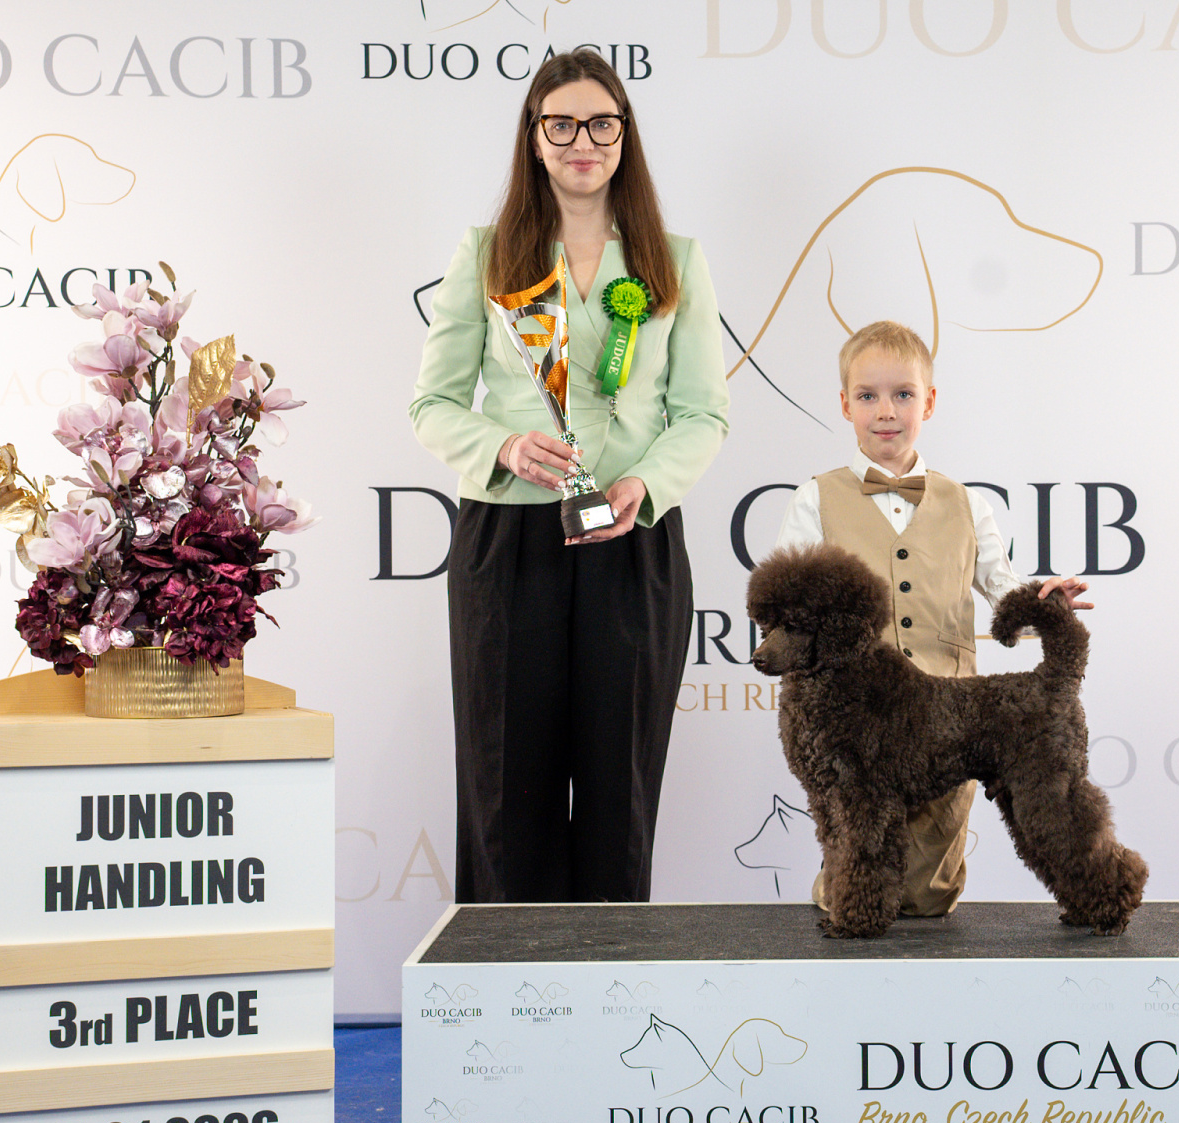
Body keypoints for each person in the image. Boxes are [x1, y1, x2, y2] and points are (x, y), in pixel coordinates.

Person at [410, 49, 729, 904]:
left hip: (633, 539)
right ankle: (506, 979)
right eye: (562, 124)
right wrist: (504, 448)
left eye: (601, 123)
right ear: (534, 137)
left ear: (624, 135)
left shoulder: (674, 259)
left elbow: (703, 413)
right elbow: (433, 405)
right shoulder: (486, 254)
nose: (582, 141)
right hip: (510, 540)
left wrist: (646, 485)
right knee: (505, 790)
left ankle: (611, 974)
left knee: (621, 792)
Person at [774, 320, 1090, 918]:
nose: (885, 411)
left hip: (949, 729)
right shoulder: (813, 500)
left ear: (930, 402)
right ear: (844, 405)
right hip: (857, 725)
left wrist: (1045, 601)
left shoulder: (969, 503)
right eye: (867, 396)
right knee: (855, 856)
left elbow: (1003, 590)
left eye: (903, 394)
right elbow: (790, 612)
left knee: (925, 897)